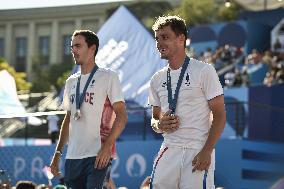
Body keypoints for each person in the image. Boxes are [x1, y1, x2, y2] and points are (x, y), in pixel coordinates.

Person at [148, 16, 226, 188]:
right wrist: (159, 124)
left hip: (198, 149)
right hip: (169, 148)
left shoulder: (204, 70)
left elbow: (220, 116)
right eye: (157, 38)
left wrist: (207, 151)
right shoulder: (156, 79)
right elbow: (154, 119)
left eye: (165, 37)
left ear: (181, 38)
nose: (159, 43)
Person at [50, 30, 128, 189]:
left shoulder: (108, 76)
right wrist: (57, 154)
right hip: (73, 156)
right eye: (72, 47)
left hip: (98, 154)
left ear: (92, 48)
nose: (73, 50)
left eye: (78, 46)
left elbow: (122, 116)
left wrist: (107, 146)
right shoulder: (71, 82)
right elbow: (68, 120)